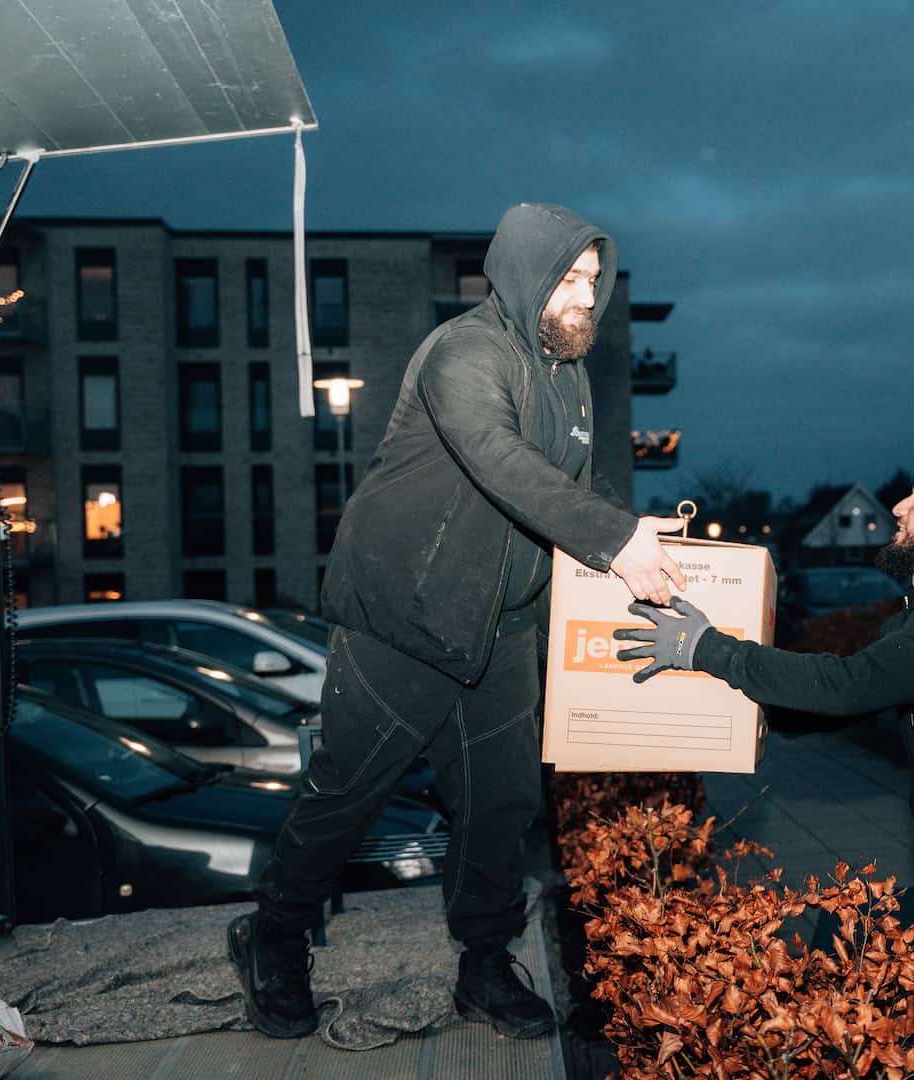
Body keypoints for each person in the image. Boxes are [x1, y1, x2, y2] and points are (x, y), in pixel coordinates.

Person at [229, 203, 686, 1041]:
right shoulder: (465, 353)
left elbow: (571, 487)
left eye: (595, 280)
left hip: (499, 626)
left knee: (500, 805)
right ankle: (274, 935)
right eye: (571, 279)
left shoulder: (566, 373)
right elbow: (499, 459)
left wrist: (636, 536)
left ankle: (483, 964)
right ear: (526, 274)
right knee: (350, 792)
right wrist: (614, 540)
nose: (588, 297)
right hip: (404, 616)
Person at [615, 455, 914, 1079]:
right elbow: (859, 699)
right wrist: (746, 714)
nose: (898, 507)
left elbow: (848, 684)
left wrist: (708, 648)